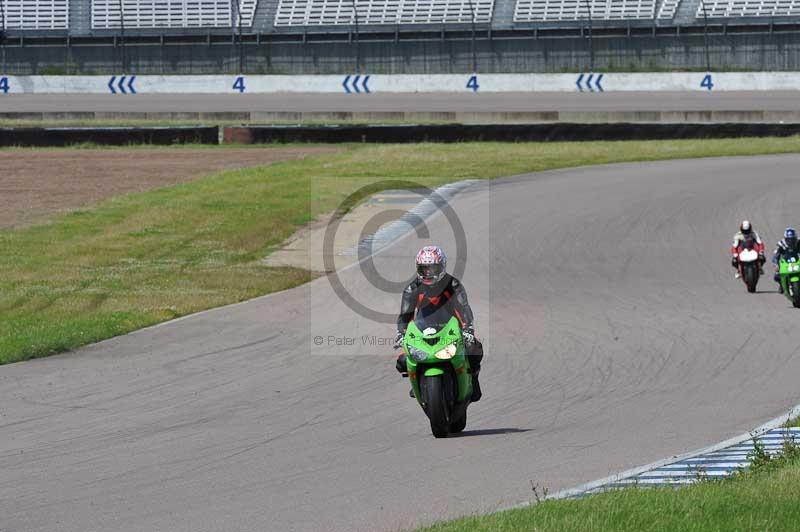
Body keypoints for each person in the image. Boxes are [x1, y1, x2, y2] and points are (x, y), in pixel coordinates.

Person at [394, 245, 483, 402]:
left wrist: (468, 328)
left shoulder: (453, 285)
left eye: (433, 268)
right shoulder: (412, 288)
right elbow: (404, 315)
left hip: (450, 327)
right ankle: (419, 380)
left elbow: (464, 309)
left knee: (474, 348)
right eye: (424, 269)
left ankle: (473, 378)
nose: (428, 273)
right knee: (402, 360)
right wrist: (401, 333)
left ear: (442, 267)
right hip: (423, 328)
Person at [772, 228, 800, 294]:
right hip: (786, 262)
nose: (791, 241)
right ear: (785, 239)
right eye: (788, 239)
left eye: (792, 239)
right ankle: (782, 285)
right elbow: (776, 255)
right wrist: (776, 264)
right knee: (777, 276)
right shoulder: (781, 244)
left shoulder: (799, 242)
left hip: (797, 259)